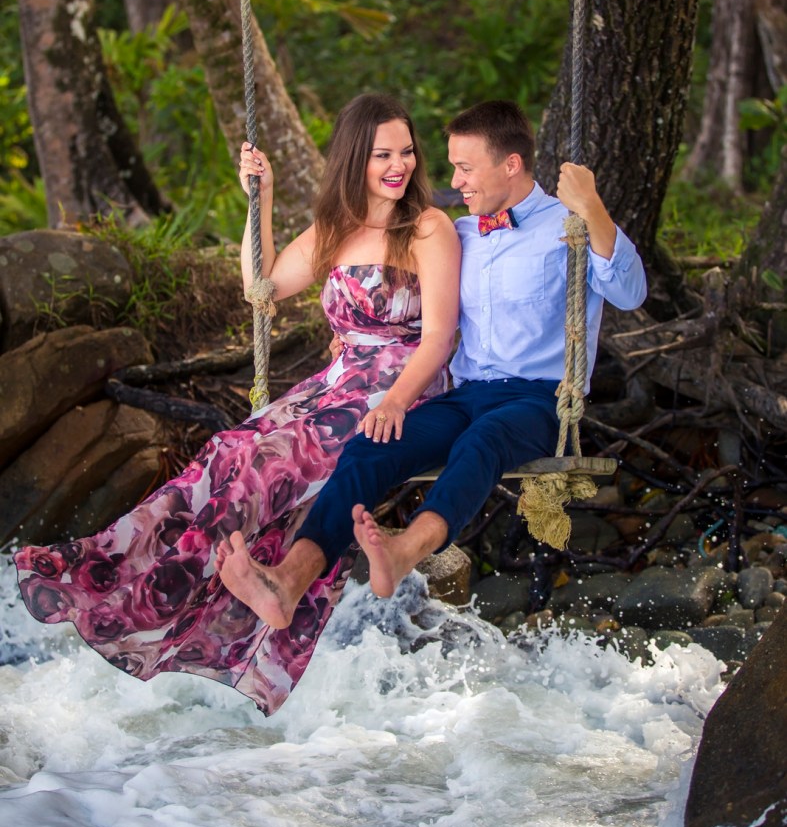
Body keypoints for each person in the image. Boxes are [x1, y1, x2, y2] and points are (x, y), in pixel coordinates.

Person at [14, 93, 460, 715]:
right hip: (335, 381)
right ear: (355, 158)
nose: (400, 165)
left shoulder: (428, 228)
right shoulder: (336, 229)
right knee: (229, 448)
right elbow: (264, 285)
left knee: (273, 461)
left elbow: (438, 336)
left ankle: (235, 589)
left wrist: (395, 403)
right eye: (383, 153)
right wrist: (263, 196)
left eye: (406, 151)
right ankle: (127, 574)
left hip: (400, 383)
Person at [216, 99, 647, 626]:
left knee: (484, 441)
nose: (454, 179)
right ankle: (288, 579)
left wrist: (594, 210)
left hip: (539, 398)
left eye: (465, 168)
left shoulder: (570, 228)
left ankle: (406, 549)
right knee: (368, 448)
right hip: (463, 393)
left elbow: (630, 291)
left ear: (509, 165)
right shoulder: (461, 234)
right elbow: (421, 312)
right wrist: (350, 338)